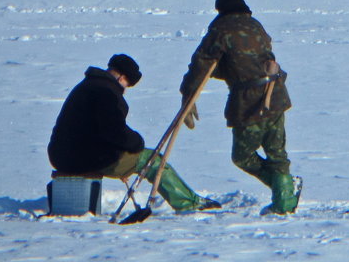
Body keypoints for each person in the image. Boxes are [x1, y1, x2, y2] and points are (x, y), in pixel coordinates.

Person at [48, 53, 220, 212]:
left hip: (61, 155)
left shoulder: (87, 85)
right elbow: (115, 132)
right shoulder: (107, 93)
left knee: (134, 156)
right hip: (87, 158)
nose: (125, 89)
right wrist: (136, 144)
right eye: (127, 84)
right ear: (122, 77)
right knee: (152, 160)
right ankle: (189, 203)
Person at [180, 0, 299, 215]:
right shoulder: (255, 25)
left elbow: (201, 63)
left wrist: (188, 93)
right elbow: (247, 57)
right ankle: (284, 202)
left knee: (242, 156)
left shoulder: (220, 29)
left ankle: (285, 191)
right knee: (277, 154)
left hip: (250, 101)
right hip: (276, 94)